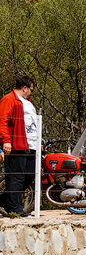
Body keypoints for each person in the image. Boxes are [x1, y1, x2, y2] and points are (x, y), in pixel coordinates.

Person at [0, 75, 37, 217]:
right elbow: (2, 121)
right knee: (16, 177)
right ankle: (15, 210)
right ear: (24, 88)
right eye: (31, 90)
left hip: (30, 145)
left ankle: (6, 200)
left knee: (29, 175)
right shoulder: (9, 100)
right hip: (16, 144)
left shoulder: (27, 102)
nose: (31, 93)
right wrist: (6, 141)